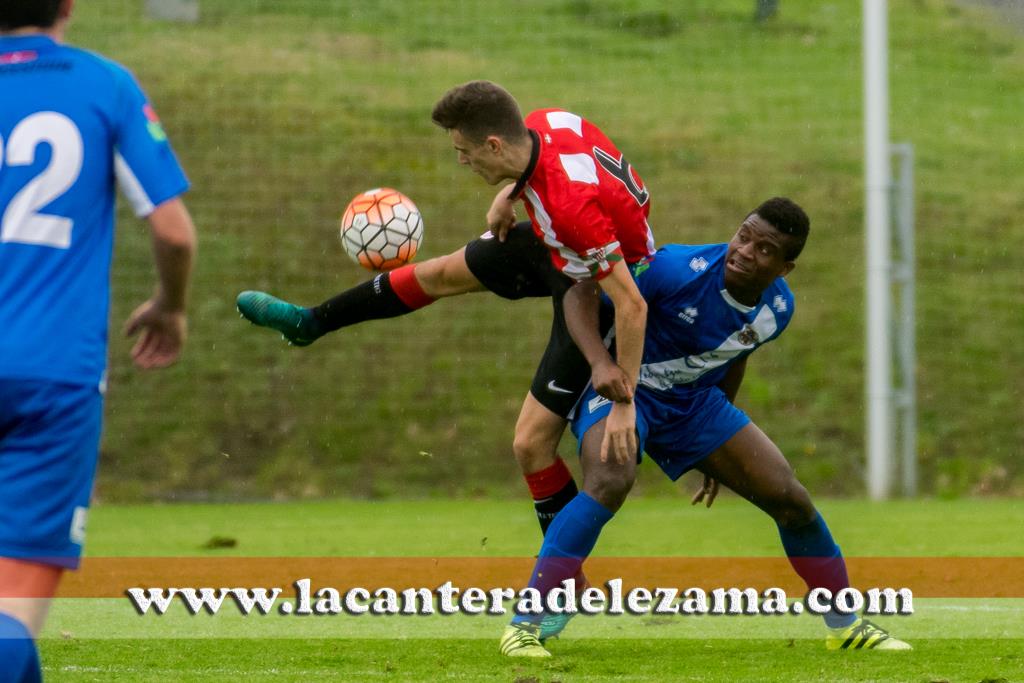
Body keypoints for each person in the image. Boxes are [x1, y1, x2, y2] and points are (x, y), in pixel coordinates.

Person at [237, 80, 650, 550]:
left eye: (465, 151)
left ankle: (560, 579)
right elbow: (562, 163)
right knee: (438, 274)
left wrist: (625, 403)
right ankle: (310, 322)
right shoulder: (542, 123)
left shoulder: (570, 208)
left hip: (597, 284)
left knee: (530, 445)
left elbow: (634, 305)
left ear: (494, 144)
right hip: (560, 243)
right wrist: (510, 194)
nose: (461, 161)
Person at [499, 198, 910, 656]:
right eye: (745, 235)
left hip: (693, 405)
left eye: (764, 249)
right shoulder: (676, 268)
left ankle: (845, 624)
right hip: (623, 391)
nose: (745, 250)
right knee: (610, 481)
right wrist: (601, 366)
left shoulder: (777, 309)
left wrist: (717, 454)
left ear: (785, 268)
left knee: (790, 498)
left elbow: (732, 355)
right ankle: (525, 623)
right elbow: (581, 295)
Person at [0, 2, 197, 680]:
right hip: (53, 375)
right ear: (67, 5)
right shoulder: (105, 84)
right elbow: (173, 230)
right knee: (11, 614)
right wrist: (171, 307)